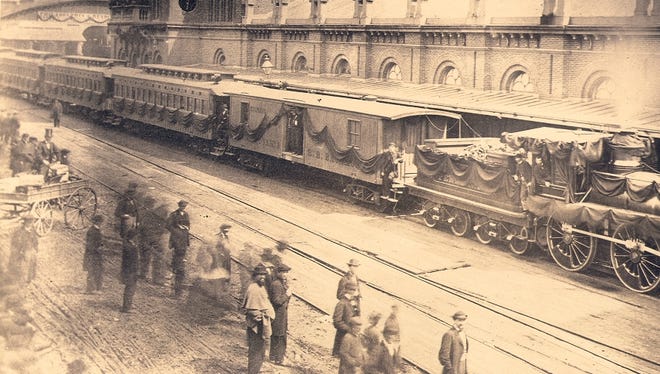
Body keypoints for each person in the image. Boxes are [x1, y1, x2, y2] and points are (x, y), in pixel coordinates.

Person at [242, 264, 275, 374]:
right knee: (256, 351)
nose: (263, 277)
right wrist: (259, 316)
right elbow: (250, 309)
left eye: (264, 275)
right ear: (255, 276)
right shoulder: (253, 288)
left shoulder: (261, 287)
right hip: (256, 325)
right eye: (260, 275)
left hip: (262, 324)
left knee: (260, 351)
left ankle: (255, 371)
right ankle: (252, 372)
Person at [269, 263, 292, 365]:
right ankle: (278, 358)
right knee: (279, 336)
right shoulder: (276, 284)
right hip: (277, 314)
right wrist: (287, 294)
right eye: (283, 272)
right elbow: (277, 301)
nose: (285, 274)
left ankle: (274, 357)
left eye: (286, 272)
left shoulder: (280, 283)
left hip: (281, 314)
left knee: (278, 335)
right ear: (278, 273)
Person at [167, 200, 190, 298]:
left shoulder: (186, 214)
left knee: (182, 255)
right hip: (176, 239)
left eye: (184, 207)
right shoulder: (173, 215)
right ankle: (176, 264)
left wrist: (186, 227)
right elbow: (168, 225)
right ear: (179, 206)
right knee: (177, 258)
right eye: (182, 206)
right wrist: (177, 228)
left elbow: (188, 225)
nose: (183, 208)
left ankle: (180, 261)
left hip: (183, 238)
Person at [137, 196, 163, 280]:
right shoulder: (149, 213)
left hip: (145, 237)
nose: (152, 206)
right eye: (151, 204)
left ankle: (143, 274)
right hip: (146, 237)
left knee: (144, 256)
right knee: (145, 256)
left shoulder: (144, 212)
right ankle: (143, 274)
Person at [332, 281, 360, 357]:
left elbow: (357, 314)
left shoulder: (354, 301)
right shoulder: (342, 303)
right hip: (342, 335)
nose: (353, 292)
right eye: (352, 290)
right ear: (346, 290)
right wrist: (348, 329)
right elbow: (337, 321)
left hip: (352, 334)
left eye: (354, 290)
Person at [8, 217, 39, 285]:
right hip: (24, 250)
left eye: (31, 222)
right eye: (29, 222)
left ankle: (30, 279)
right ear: (25, 223)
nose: (30, 224)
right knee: (25, 265)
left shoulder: (32, 230)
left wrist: (36, 248)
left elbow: (35, 240)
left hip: (31, 249)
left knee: (33, 263)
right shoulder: (20, 232)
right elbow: (16, 242)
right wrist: (20, 251)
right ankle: (23, 280)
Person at [84, 215, 105, 294]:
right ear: (97, 222)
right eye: (100, 222)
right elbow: (90, 244)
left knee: (97, 270)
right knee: (92, 271)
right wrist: (97, 249)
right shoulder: (92, 231)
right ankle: (91, 289)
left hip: (96, 254)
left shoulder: (97, 230)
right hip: (92, 254)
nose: (101, 224)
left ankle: (95, 287)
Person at [120, 229, 139, 312]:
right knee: (130, 288)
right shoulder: (130, 247)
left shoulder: (130, 245)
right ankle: (126, 307)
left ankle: (128, 304)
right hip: (130, 270)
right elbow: (130, 260)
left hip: (130, 270)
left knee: (131, 287)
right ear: (134, 237)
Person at [215, 223, 233, 292]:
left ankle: (224, 285)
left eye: (228, 229)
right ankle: (219, 286)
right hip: (221, 258)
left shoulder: (226, 237)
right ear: (221, 229)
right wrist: (220, 253)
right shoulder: (217, 237)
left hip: (227, 257)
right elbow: (216, 247)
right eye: (225, 229)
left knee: (227, 270)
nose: (227, 230)